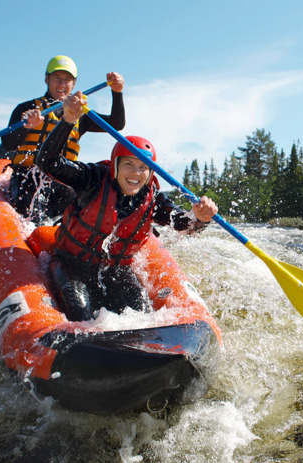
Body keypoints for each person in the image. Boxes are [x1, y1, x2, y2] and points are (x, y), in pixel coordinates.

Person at [33, 91, 218, 321]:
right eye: (129, 165)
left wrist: (200, 218)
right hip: (72, 264)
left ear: (151, 173)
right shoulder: (92, 178)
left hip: (114, 270)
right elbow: (47, 162)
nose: (136, 174)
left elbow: (182, 224)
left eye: (143, 168)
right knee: (79, 310)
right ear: (115, 165)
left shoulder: (153, 198)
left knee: (140, 311)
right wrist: (68, 120)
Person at [0, 55, 126, 223]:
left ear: (74, 84)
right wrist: (27, 127)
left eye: (67, 80)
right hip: (27, 177)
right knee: (32, 212)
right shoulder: (27, 108)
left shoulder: (80, 115)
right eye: (57, 78)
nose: (62, 84)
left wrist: (117, 92)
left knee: (73, 205)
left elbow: (116, 123)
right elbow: (8, 143)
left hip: (62, 181)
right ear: (47, 79)